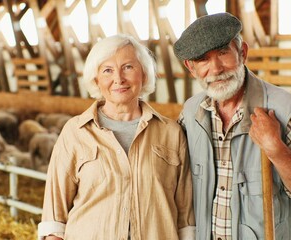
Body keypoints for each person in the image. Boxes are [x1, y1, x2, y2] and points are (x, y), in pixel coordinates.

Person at [173, 12, 291, 240]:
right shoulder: (191, 114)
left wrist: (275, 149)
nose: (216, 68)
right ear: (191, 67)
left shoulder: (283, 109)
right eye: (203, 59)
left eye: (223, 52)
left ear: (243, 53)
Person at [38, 34, 195, 240]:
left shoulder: (171, 133)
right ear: (96, 80)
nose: (118, 79)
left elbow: (186, 219)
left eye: (128, 67)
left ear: (145, 75)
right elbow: (54, 217)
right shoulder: (75, 132)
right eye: (107, 70)